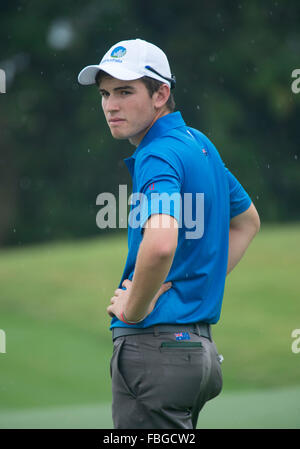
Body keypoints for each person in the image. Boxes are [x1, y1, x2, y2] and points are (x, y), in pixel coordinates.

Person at [78, 38, 260, 429]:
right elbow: (247, 222)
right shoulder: (199, 144)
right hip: (199, 354)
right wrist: (194, 283)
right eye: (106, 93)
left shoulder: (157, 153)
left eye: (125, 92)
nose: (111, 105)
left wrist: (135, 309)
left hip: (155, 351)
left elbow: (160, 244)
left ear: (161, 94)